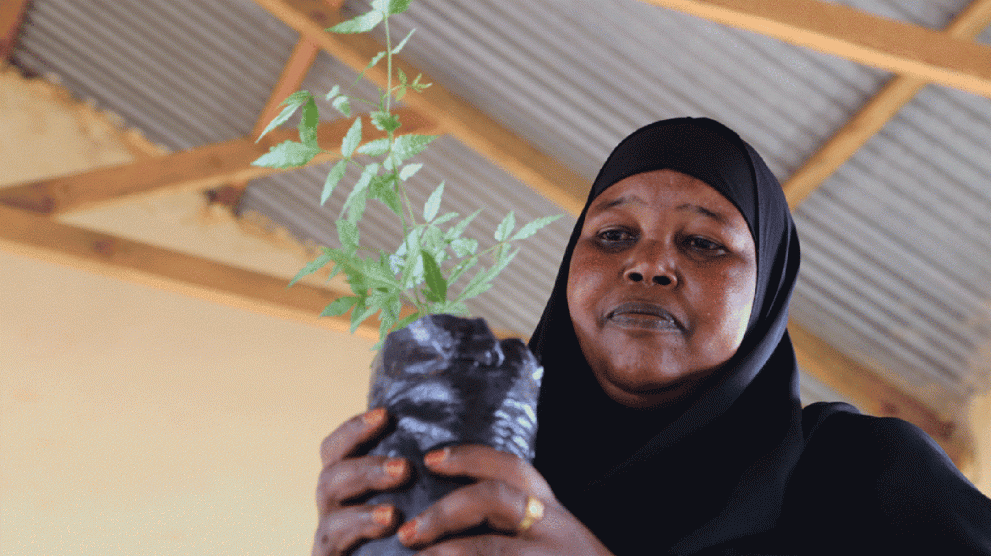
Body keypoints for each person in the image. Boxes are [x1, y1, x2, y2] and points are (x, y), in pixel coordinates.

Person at [312, 118, 991, 555]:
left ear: (765, 296)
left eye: (702, 242)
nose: (648, 264)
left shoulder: (863, 478)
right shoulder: (471, 468)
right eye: (613, 235)